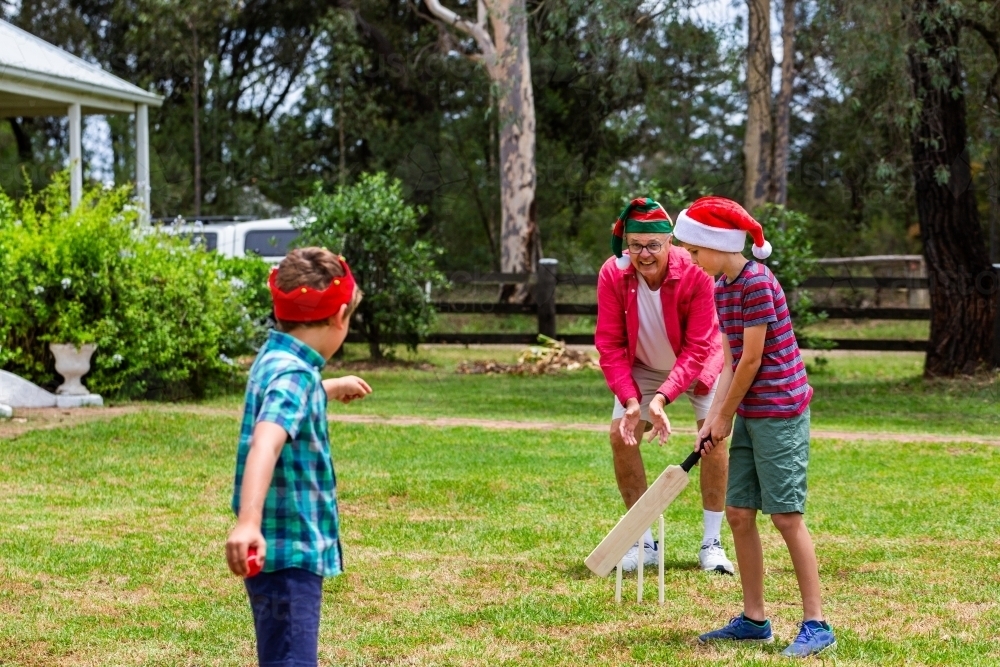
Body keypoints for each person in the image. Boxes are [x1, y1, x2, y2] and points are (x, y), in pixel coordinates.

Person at [672, 196, 836, 658]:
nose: (690, 259)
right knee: (740, 513)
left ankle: (817, 623)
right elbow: (727, 360)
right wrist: (713, 418)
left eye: (694, 250)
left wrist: (724, 414)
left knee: (785, 516)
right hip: (747, 409)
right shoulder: (722, 285)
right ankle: (754, 619)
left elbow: (752, 358)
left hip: (780, 411)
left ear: (717, 244)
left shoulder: (757, 283)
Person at [225, 247, 372, 666]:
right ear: (341, 315)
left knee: (281, 653)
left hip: (277, 549)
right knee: (292, 658)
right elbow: (267, 439)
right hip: (289, 547)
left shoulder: (278, 359)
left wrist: (328, 386)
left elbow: (283, 401)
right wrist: (248, 522)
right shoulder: (294, 374)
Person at [595, 198, 733, 574]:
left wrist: (662, 398)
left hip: (698, 363)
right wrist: (630, 399)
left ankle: (712, 542)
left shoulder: (695, 272)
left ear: (669, 242)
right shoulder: (613, 273)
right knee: (619, 435)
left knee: (714, 439)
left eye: (653, 245)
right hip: (642, 366)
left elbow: (698, 347)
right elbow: (609, 344)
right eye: (635, 245)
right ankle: (643, 541)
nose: (643, 254)